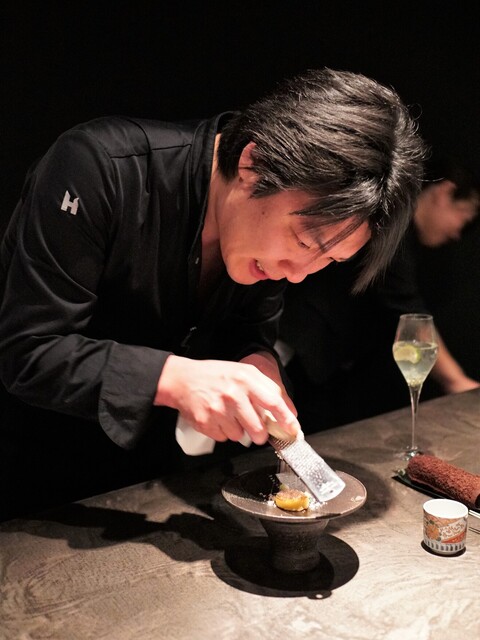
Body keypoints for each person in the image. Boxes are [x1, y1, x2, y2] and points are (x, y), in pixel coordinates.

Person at [0, 68, 425, 520]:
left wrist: (257, 361)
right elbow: (28, 349)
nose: (299, 274)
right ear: (252, 164)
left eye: (330, 260)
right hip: (29, 481)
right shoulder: (100, 167)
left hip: (148, 489)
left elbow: (247, 330)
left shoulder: (268, 241)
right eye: (304, 242)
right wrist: (174, 379)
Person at [279, 152, 479, 432]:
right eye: (465, 217)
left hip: (321, 359)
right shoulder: (394, 223)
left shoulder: (404, 234)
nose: (458, 234)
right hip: (296, 345)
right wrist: (455, 380)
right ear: (445, 192)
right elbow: (409, 312)